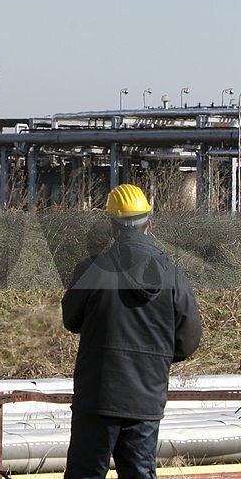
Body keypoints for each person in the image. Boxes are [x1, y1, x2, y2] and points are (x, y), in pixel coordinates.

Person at [61, 183, 202, 479]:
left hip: (98, 396)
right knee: (139, 473)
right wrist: (154, 359)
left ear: (113, 227)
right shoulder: (174, 278)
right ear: (149, 224)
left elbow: (71, 319)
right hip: (145, 399)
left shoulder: (92, 270)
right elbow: (188, 341)